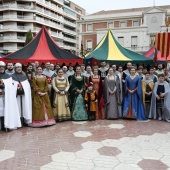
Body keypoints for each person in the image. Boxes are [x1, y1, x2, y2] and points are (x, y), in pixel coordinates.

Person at [0, 61, 21, 131]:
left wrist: (4, 86)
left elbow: (11, 86)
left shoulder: (8, 76)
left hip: (5, 97)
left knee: (5, 111)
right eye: (0, 67)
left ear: (4, 67)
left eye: (2, 67)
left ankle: (5, 125)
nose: (1, 68)